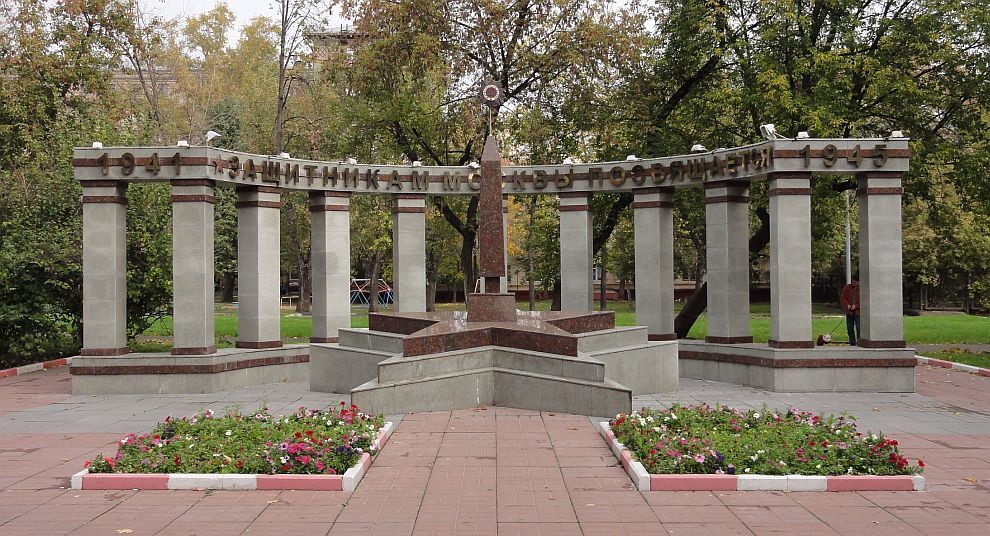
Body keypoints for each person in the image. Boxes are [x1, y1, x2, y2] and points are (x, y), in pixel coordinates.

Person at [839, 275, 861, 346]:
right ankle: (852, 343)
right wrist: (847, 305)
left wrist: (856, 306)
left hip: (859, 313)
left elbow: (864, 301)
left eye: (856, 282)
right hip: (850, 312)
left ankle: (859, 342)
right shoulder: (847, 287)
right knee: (850, 328)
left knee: (859, 328)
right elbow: (843, 297)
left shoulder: (862, 289)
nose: (854, 284)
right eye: (853, 282)